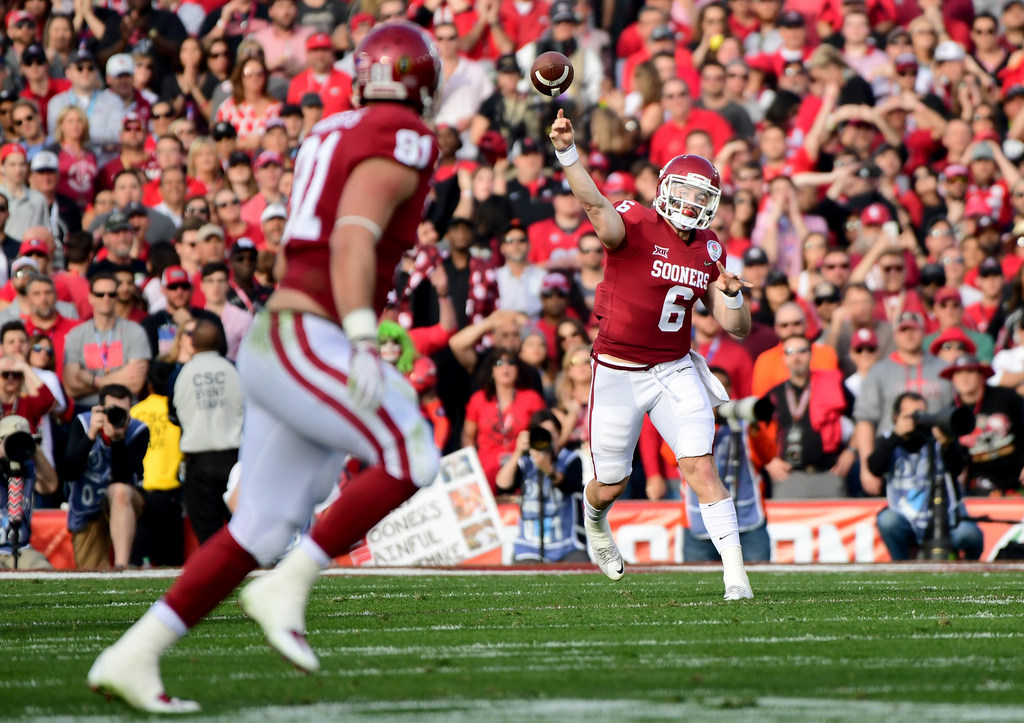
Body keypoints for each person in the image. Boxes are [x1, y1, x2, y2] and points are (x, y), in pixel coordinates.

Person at [88, 22, 444, 712]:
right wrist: (365, 337)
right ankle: (293, 582)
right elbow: (353, 236)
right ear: (419, 83)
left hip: (283, 331)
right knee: (413, 450)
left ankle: (132, 654)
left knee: (262, 525)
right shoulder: (404, 136)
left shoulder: (334, 129)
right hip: (311, 334)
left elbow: (304, 247)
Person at [548, 108, 754, 600]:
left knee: (700, 465)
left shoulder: (709, 249)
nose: (689, 202)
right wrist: (566, 152)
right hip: (617, 369)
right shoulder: (636, 222)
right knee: (611, 483)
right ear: (664, 189)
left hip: (675, 369)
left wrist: (733, 295)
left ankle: (736, 578)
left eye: (700, 196)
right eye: (682, 190)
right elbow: (596, 207)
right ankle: (594, 517)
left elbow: (736, 329)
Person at [868, 392, 983, 561]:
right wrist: (896, 436)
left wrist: (947, 444)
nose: (917, 421)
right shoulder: (887, 440)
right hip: (905, 518)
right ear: (896, 417)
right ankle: (901, 568)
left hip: (945, 518)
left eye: (921, 414)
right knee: (887, 520)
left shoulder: (938, 437)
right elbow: (875, 468)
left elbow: (957, 469)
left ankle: (968, 575)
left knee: (970, 534)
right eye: (911, 415)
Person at [170, 319, 243, 543]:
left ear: (192, 343)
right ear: (220, 341)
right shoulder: (234, 369)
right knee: (242, 531)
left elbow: (174, 416)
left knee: (208, 536)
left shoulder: (182, 374)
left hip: (199, 461)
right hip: (234, 459)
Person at [62, 384, 150, 569]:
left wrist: (117, 440)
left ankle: (122, 566)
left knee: (119, 491)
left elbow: (123, 476)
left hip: (123, 504)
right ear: (100, 409)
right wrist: (92, 434)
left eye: (124, 411)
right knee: (91, 571)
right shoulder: (85, 423)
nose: (118, 416)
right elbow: (69, 471)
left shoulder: (138, 430)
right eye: (112, 410)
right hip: (86, 507)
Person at [755, 335, 851, 499]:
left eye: (802, 351)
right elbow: (755, 432)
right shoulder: (773, 395)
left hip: (829, 476)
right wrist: (769, 461)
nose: (796, 357)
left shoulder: (833, 384)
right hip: (789, 479)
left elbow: (861, 420)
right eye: (790, 352)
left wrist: (851, 451)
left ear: (811, 354)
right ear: (783, 358)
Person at [495, 410, 589, 563]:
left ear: (559, 435)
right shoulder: (525, 462)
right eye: (541, 433)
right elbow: (502, 485)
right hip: (528, 547)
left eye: (551, 433)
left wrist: (547, 469)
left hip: (567, 547)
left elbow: (569, 485)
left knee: (583, 571)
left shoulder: (570, 459)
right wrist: (518, 452)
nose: (546, 438)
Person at [942, 354, 1024, 496]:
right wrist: (945, 444)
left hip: (1018, 476)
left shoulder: (1006, 397)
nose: (964, 378)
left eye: (970, 372)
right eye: (958, 373)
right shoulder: (951, 413)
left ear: (982, 375)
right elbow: (955, 465)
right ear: (953, 379)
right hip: (981, 485)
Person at [0, 414, 59, 570]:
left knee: (43, 570)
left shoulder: (29, 469)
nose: (15, 447)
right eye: (10, 441)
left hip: (21, 548)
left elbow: (50, 486)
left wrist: (35, 450)